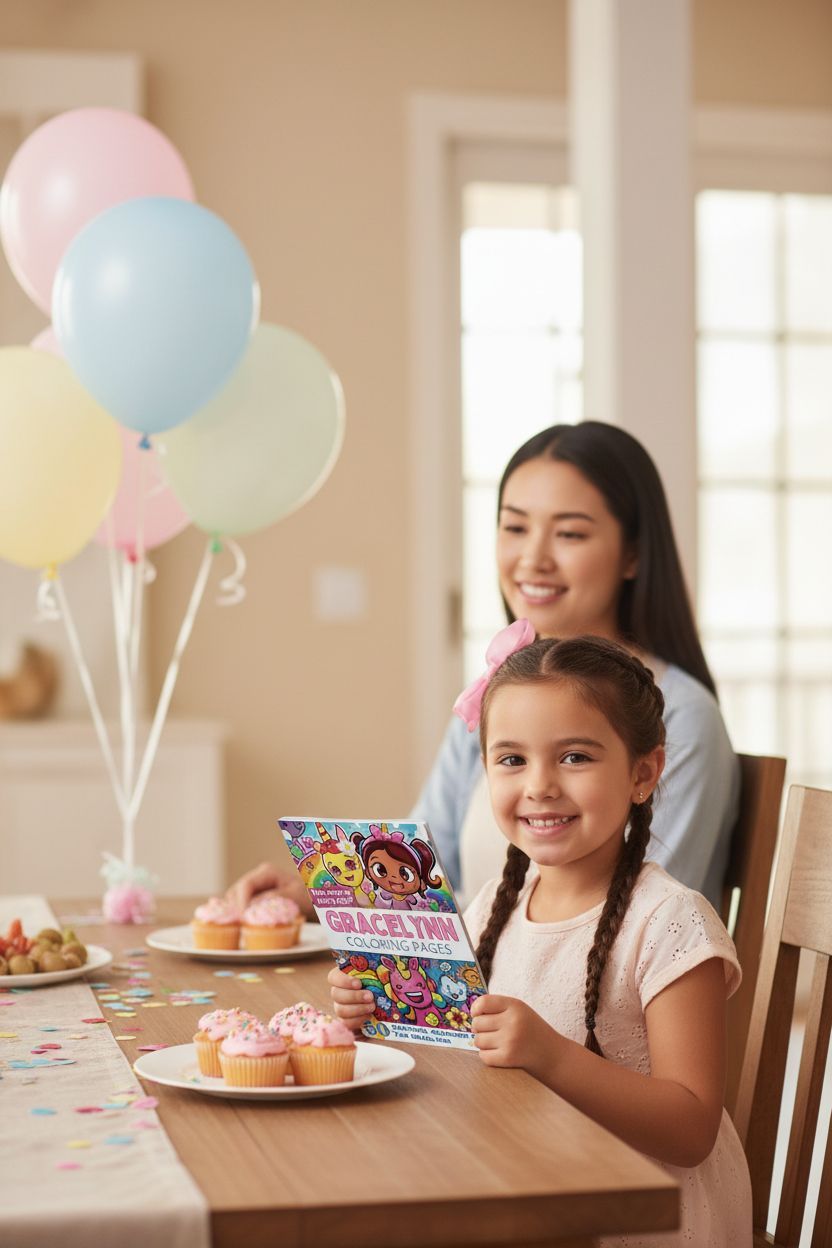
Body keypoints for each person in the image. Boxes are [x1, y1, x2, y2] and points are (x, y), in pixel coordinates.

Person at [330, 630, 752, 1248]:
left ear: (644, 772)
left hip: (643, 1215)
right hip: (527, 1181)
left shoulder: (671, 923)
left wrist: (552, 1057)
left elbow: (691, 1130)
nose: (540, 785)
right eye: (511, 759)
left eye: (575, 757)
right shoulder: (496, 908)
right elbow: (452, 1043)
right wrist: (376, 1009)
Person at [228, 421, 738, 914]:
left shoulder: (684, 717)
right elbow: (424, 866)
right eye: (515, 527)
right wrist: (318, 893)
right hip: (481, 991)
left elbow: (652, 929)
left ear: (633, 555)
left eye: (569, 534)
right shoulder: (499, 691)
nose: (532, 558)